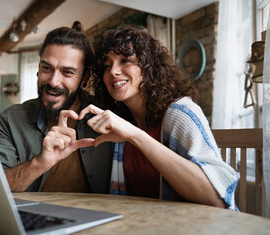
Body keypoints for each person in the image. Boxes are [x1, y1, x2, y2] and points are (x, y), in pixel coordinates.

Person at [78, 25, 238, 210]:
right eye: (107, 65)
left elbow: (217, 199)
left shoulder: (180, 113)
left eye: (126, 61)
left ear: (148, 66)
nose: (113, 71)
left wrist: (135, 135)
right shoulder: (120, 122)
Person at [0, 21, 113, 193]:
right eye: (47, 68)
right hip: (31, 218)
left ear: (85, 76)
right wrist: (40, 163)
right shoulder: (11, 119)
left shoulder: (109, 117)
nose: (53, 81)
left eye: (67, 72)